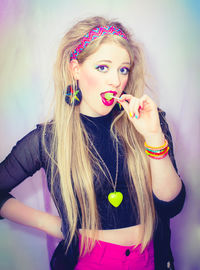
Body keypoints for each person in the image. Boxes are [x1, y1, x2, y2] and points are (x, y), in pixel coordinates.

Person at [0, 16, 185, 270]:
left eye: (123, 69)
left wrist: (153, 136)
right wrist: (56, 225)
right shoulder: (49, 140)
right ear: (75, 69)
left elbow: (172, 205)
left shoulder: (149, 123)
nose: (116, 81)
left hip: (150, 259)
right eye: (102, 67)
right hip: (88, 263)